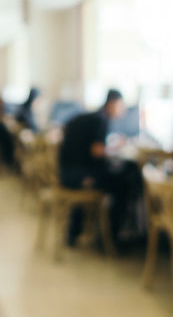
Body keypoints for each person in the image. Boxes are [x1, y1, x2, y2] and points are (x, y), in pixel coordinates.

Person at [58, 89, 141, 246]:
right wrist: (115, 148)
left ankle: (74, 232)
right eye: (121, 106)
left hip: (67, 174)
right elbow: (96, 151)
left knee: (114, 176)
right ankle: (110, 239)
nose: (123, 110)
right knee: (125, 183)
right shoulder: (101, 120)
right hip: (81, 177)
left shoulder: (89, 117)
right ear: (112, 103)